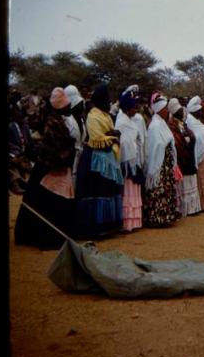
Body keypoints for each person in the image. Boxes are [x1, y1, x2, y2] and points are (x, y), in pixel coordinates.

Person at [14, 87, 76, 249]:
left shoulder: (56, 120)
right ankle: (47, 239)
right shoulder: (52, 122)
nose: (70, 107)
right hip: (49, 168)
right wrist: (68, 153)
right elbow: (53, 148)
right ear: (60, 106)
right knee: (48, 204)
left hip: (50, 167)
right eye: (67, 104)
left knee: (41, 202)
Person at [75, 83, 124, 238]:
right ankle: (97, 227)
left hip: (110, 157)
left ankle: (110, 225)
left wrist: (112, 134)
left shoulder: (106, 115)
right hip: (96, 159)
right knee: (98, 191)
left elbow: (112, 133)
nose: (109, 102)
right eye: (106, 100)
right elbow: (97, 138)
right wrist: (113, 135)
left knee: (109, 191)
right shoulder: (92, 116)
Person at [143, 94, 180, 227]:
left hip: (166, 164)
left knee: (166, 190)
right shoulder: (154, 126)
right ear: (159, 110)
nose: (168, 111)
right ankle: (157, 218)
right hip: (160, 165)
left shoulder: (162, 124)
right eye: (165, 109)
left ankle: (166, 216)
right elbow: (154, 148)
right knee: (159, 190)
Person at [115, 91, 145, 232]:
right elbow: (125, 143)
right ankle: (127, 223)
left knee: (134, 191)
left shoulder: (131, 122)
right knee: (127, 192)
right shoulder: (122, 123)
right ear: (127, 108)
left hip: (135, 161)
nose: (136, 110)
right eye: (133, 107)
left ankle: (135, 221)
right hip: (127, 163)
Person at [167, 98, 201, 217]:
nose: (182, 112)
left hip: (189, 157)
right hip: (182, 159)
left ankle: (192, 208)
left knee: (191, 182)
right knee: (184, 185)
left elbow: (190, 135)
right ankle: (185, 209)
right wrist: (185, 142)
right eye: (180, 111)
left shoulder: (183, 124)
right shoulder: (172, 125)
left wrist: (189, 139)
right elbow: (176, 141)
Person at [63, 84, 87, 188]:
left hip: (80, 160)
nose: (82, 107)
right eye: (79, 104)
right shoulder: (66, 120)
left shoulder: (81, 120)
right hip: (69, 161)